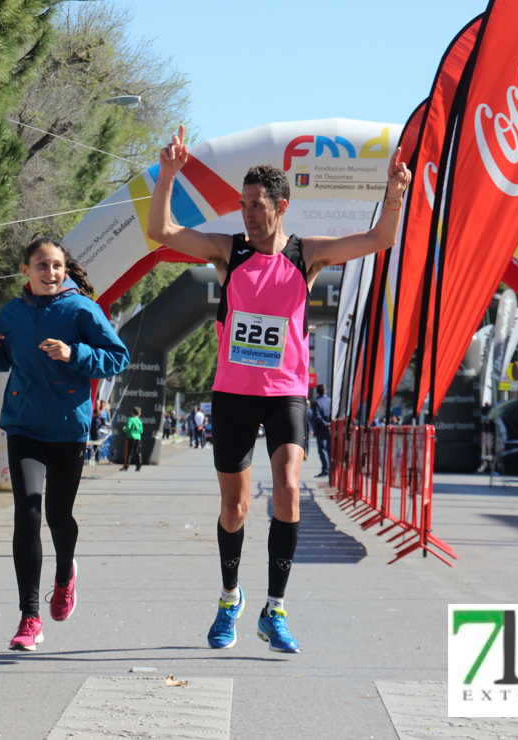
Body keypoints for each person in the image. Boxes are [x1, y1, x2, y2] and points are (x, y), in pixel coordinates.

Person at [147, 125, 410, 653]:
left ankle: (276, 609)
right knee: (235, 509)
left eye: (257, 206)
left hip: (286, 391)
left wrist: (395, 195)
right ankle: (229, 599)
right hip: (234, 394)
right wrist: (169, 176)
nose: (248, 213)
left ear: (281, 207)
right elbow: (164, 231)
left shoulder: (305, 254)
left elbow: (380, 240)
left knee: (288, 490)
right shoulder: (229, 252)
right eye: (244, 204)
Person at [0, 236, 129, 651]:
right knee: (28, 510)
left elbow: (117, 357)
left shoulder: (81, 309)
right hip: (23, 426)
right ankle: (29, 618)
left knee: (58, 517)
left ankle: (64, 577)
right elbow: (0, 358)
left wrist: (74, 353)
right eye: (41, 265)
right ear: (25, 271)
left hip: (67, 427)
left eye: (56, 265)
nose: (50, 272)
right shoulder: (12, 312)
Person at [311, 384, 332, 477]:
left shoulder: (316, 403)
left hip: (321, 429)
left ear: (317, 392)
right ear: (326, 392)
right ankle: (331, 469)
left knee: (322, 450)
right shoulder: (331, 401)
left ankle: (326, 469)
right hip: (331, 429)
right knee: (330, 449)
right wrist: (330, 424)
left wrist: (325, 424)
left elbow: (317, 417)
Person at [121, 406, 143, 471]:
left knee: (128, 452)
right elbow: (141, 431)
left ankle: (126, 466)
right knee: (137, 452)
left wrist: (124, 430)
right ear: (139, 414)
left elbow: (129, 428)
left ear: (132, 413)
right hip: (138, 437)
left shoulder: (130, 419)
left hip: (130, 437)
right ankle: (138, 466)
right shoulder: (139, 421)